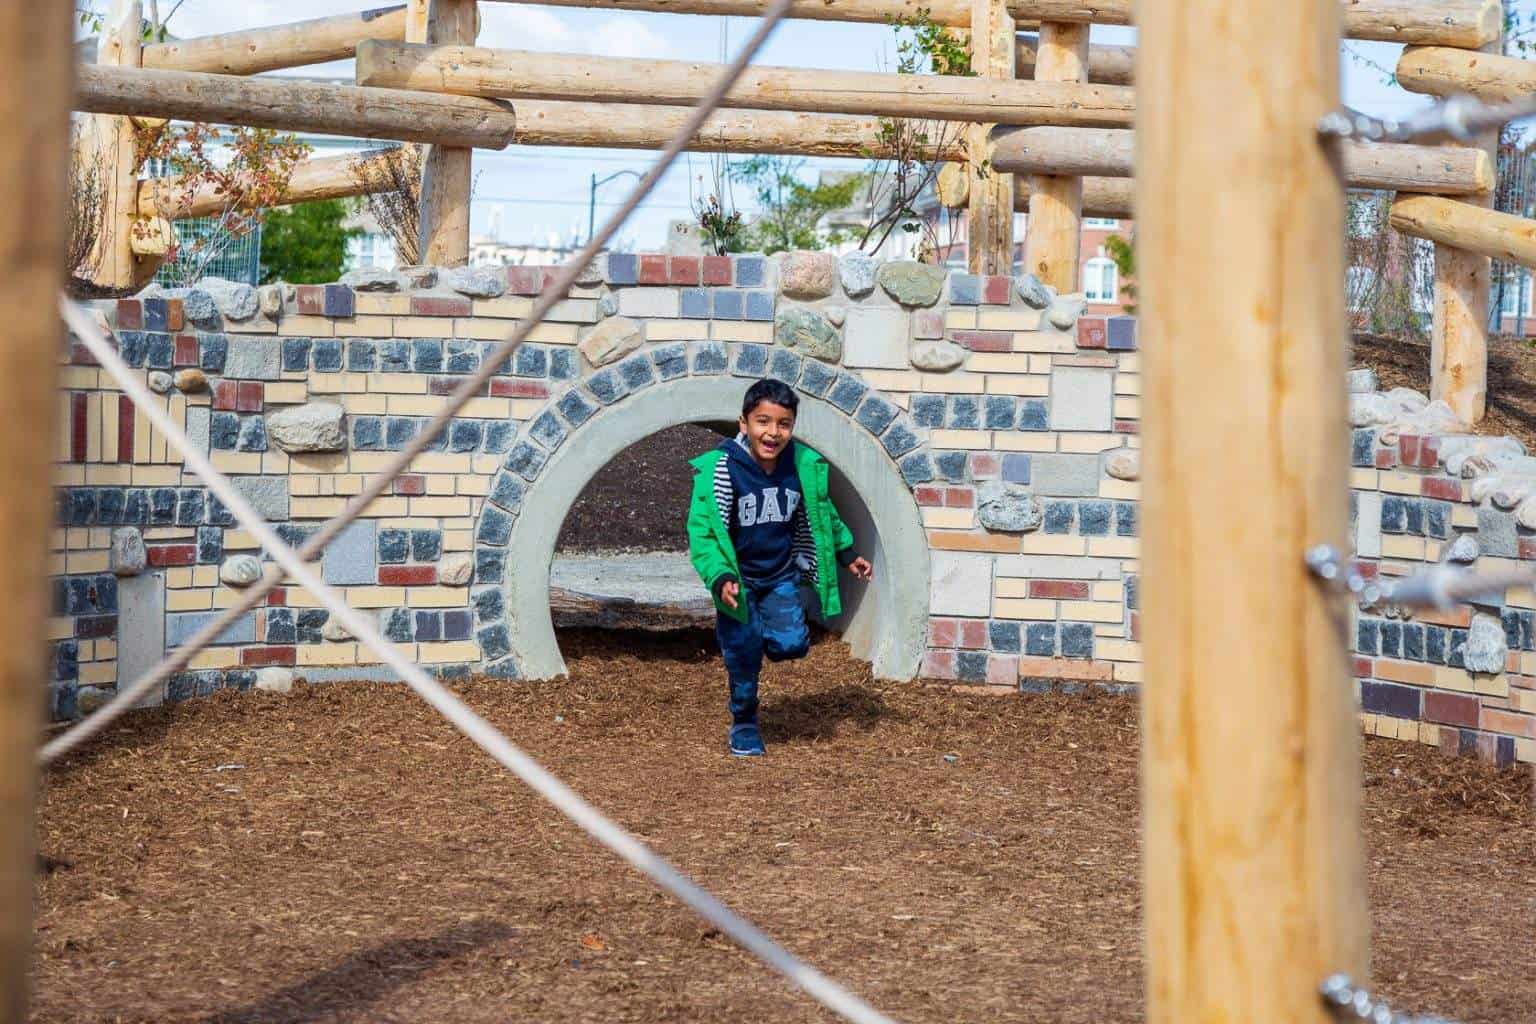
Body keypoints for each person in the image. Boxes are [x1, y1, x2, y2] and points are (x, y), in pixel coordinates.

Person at [686, 378, 874, 758]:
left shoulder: (799, 466)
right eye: (763, 421)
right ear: (743, 423)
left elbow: (822, 515)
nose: (773, 432)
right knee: (743, 653)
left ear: (792, 426)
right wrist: (720, 577)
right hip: (738, 582)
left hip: (779, 576)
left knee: (792, 646)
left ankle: (763, 636)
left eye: (783, 423)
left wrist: (847, 552)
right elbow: (704, 533)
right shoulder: (723, 470)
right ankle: (744, 721)